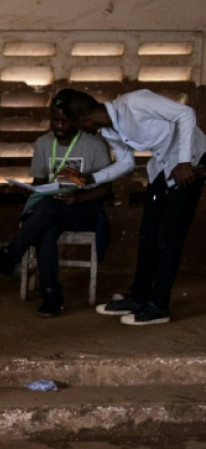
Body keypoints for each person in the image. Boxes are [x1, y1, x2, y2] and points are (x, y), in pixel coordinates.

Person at [58, 89, 206, 325]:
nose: (79, 131)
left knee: (168, 238)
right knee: (148, 235)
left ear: (82, 120)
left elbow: (185, 114)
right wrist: (92, 179)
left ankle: (159, 306)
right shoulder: (109, 131)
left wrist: (185, 160)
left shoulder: (135, 102)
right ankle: (138, 298)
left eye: (73, 124)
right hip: (163, 168)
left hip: (192, 163)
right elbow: (126, 163)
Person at [0, 89, 112, 317]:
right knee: (46, 230)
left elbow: (106, 188)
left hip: (84, 209)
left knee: (47, 208)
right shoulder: (43, 143)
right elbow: (39, 182)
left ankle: (10, 257)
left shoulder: (94, 143)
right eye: (54, 120)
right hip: (52, 209)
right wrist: (37, 190)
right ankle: (51, 295)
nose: (58, 126)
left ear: (76, 120)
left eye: (64, 121)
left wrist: (76, 197)